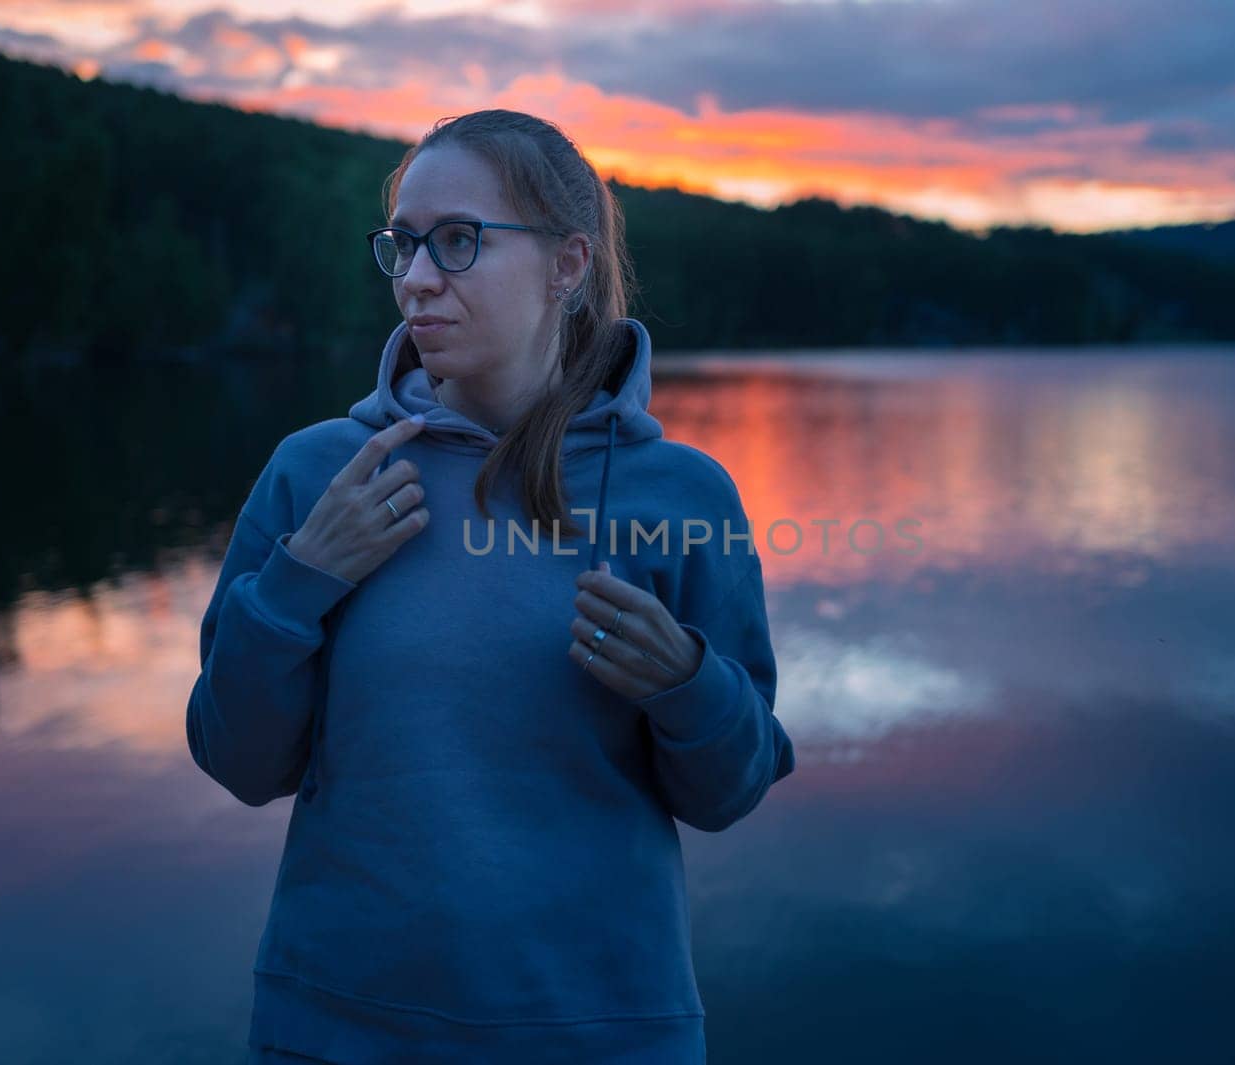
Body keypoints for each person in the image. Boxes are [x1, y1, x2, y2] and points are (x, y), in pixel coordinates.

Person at [184, 108, 797, 1064]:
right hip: (337, 1030)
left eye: (459, 242)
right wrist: (297, 583)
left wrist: (686, 679)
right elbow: (238, 760)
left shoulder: (682, 494)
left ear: (566, 265)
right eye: (404, 246)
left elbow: (730, 790)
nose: (417, 279)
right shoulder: (321, 475)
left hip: (604, 1031)